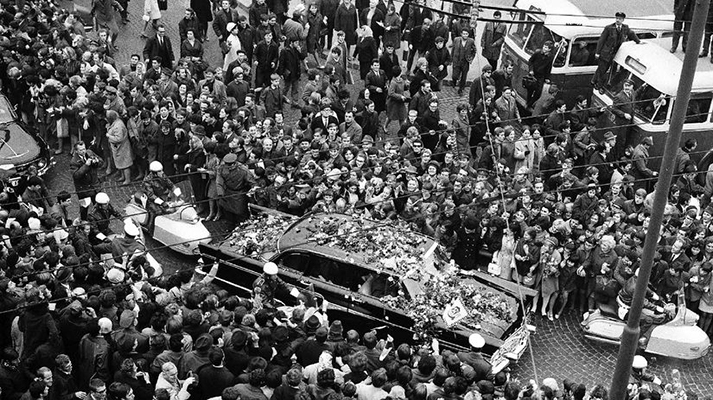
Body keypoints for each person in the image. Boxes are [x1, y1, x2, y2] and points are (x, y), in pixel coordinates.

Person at [592, 12, 640, 91]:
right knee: (602, 70)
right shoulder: (609, 28)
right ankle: (597, 84)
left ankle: (606, 85)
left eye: (620, 19)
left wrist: (638, 41)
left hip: (616, 54)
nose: (618, 20)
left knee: (612, 71)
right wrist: (598, 52)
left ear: (623, 20)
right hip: (606, 53)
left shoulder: (625, 28)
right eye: (617, 18)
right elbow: (601, 40)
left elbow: (631, 34)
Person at [216, 153, 253, 223]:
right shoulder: (221, 168)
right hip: (227, 192)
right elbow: (219, 182)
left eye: (230, 165)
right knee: (227, 210)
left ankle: (241, 225)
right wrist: (220, 193)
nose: (228, 167)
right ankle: (230, 225)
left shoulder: (243, 170)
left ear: (234, 163)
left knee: (240, 212)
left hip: (239, 193)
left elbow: (251, 181)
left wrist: (252, 190)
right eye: (226, 164)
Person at [451, 28, 476, 95]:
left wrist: (471, 58)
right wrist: (451, 58)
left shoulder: (471, 41)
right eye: (464, 34)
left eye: (466, 34)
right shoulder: (456, 40)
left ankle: (461, 89)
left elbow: (474, 50)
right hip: (457, 60)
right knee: (455, 75)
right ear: (461, 34)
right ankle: (454, 81)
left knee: (464, 76)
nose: (465, 35)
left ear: (468, 34)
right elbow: (453, 49)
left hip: (465, 61)